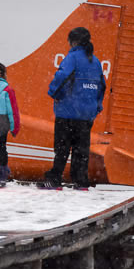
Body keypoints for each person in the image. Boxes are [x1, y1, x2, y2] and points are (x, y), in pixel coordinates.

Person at [39, 27, 106, 190]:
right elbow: (102, 86)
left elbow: (61, 76)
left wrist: (54, 93)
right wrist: (96, 107)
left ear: (73, 42)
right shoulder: (95, 61)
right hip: (86, 115)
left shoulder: (72, 57)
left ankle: (55, 180)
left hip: (68, 112)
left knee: (62, 149)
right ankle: (81, 182)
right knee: (81, 151)